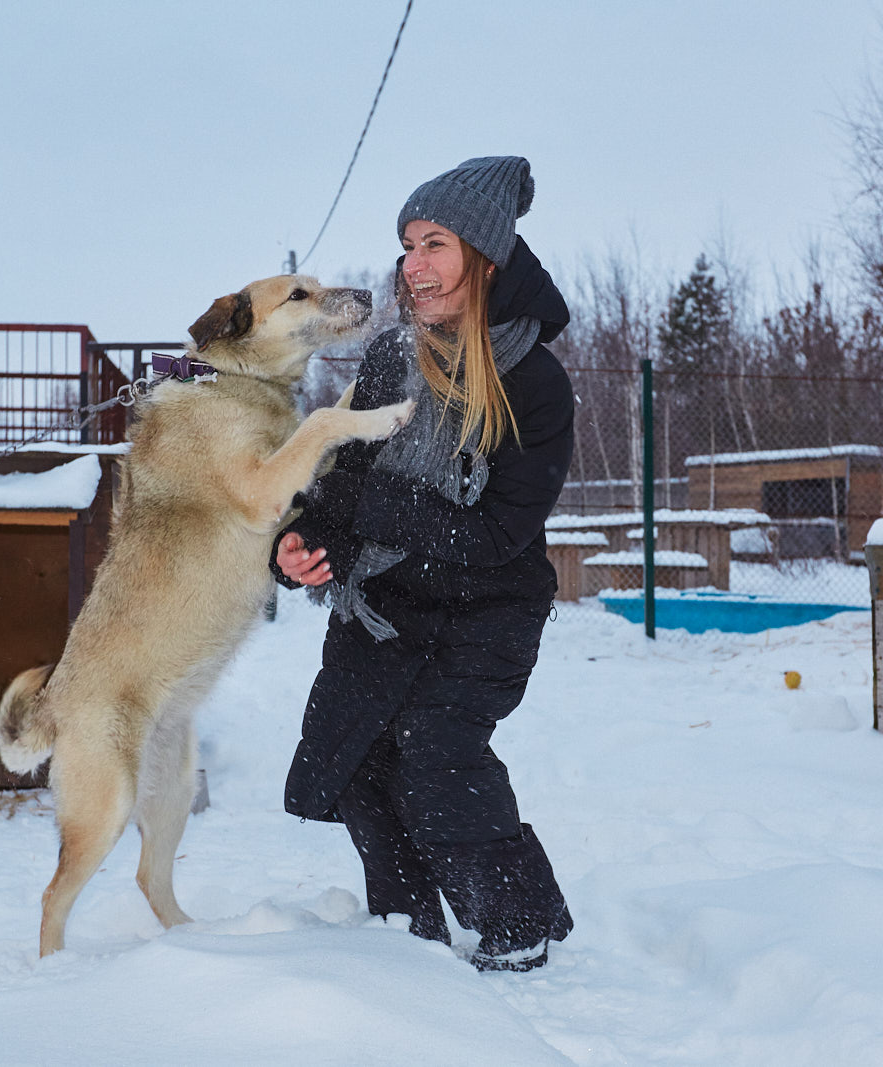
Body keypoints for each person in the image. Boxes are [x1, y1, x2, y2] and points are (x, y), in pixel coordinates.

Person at [270, 156, 575, 972]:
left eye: (434, 243)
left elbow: (496, 533)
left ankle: (518, 926)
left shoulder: (535, 382)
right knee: (357, 754)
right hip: (391, 599)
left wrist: (363, 511)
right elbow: (344, 482)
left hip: (490, 607)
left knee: (437, 749)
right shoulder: (388, 360)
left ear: (485, 254)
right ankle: (405, 935)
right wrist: (302, 541)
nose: (413, 264)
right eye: (407, 244)